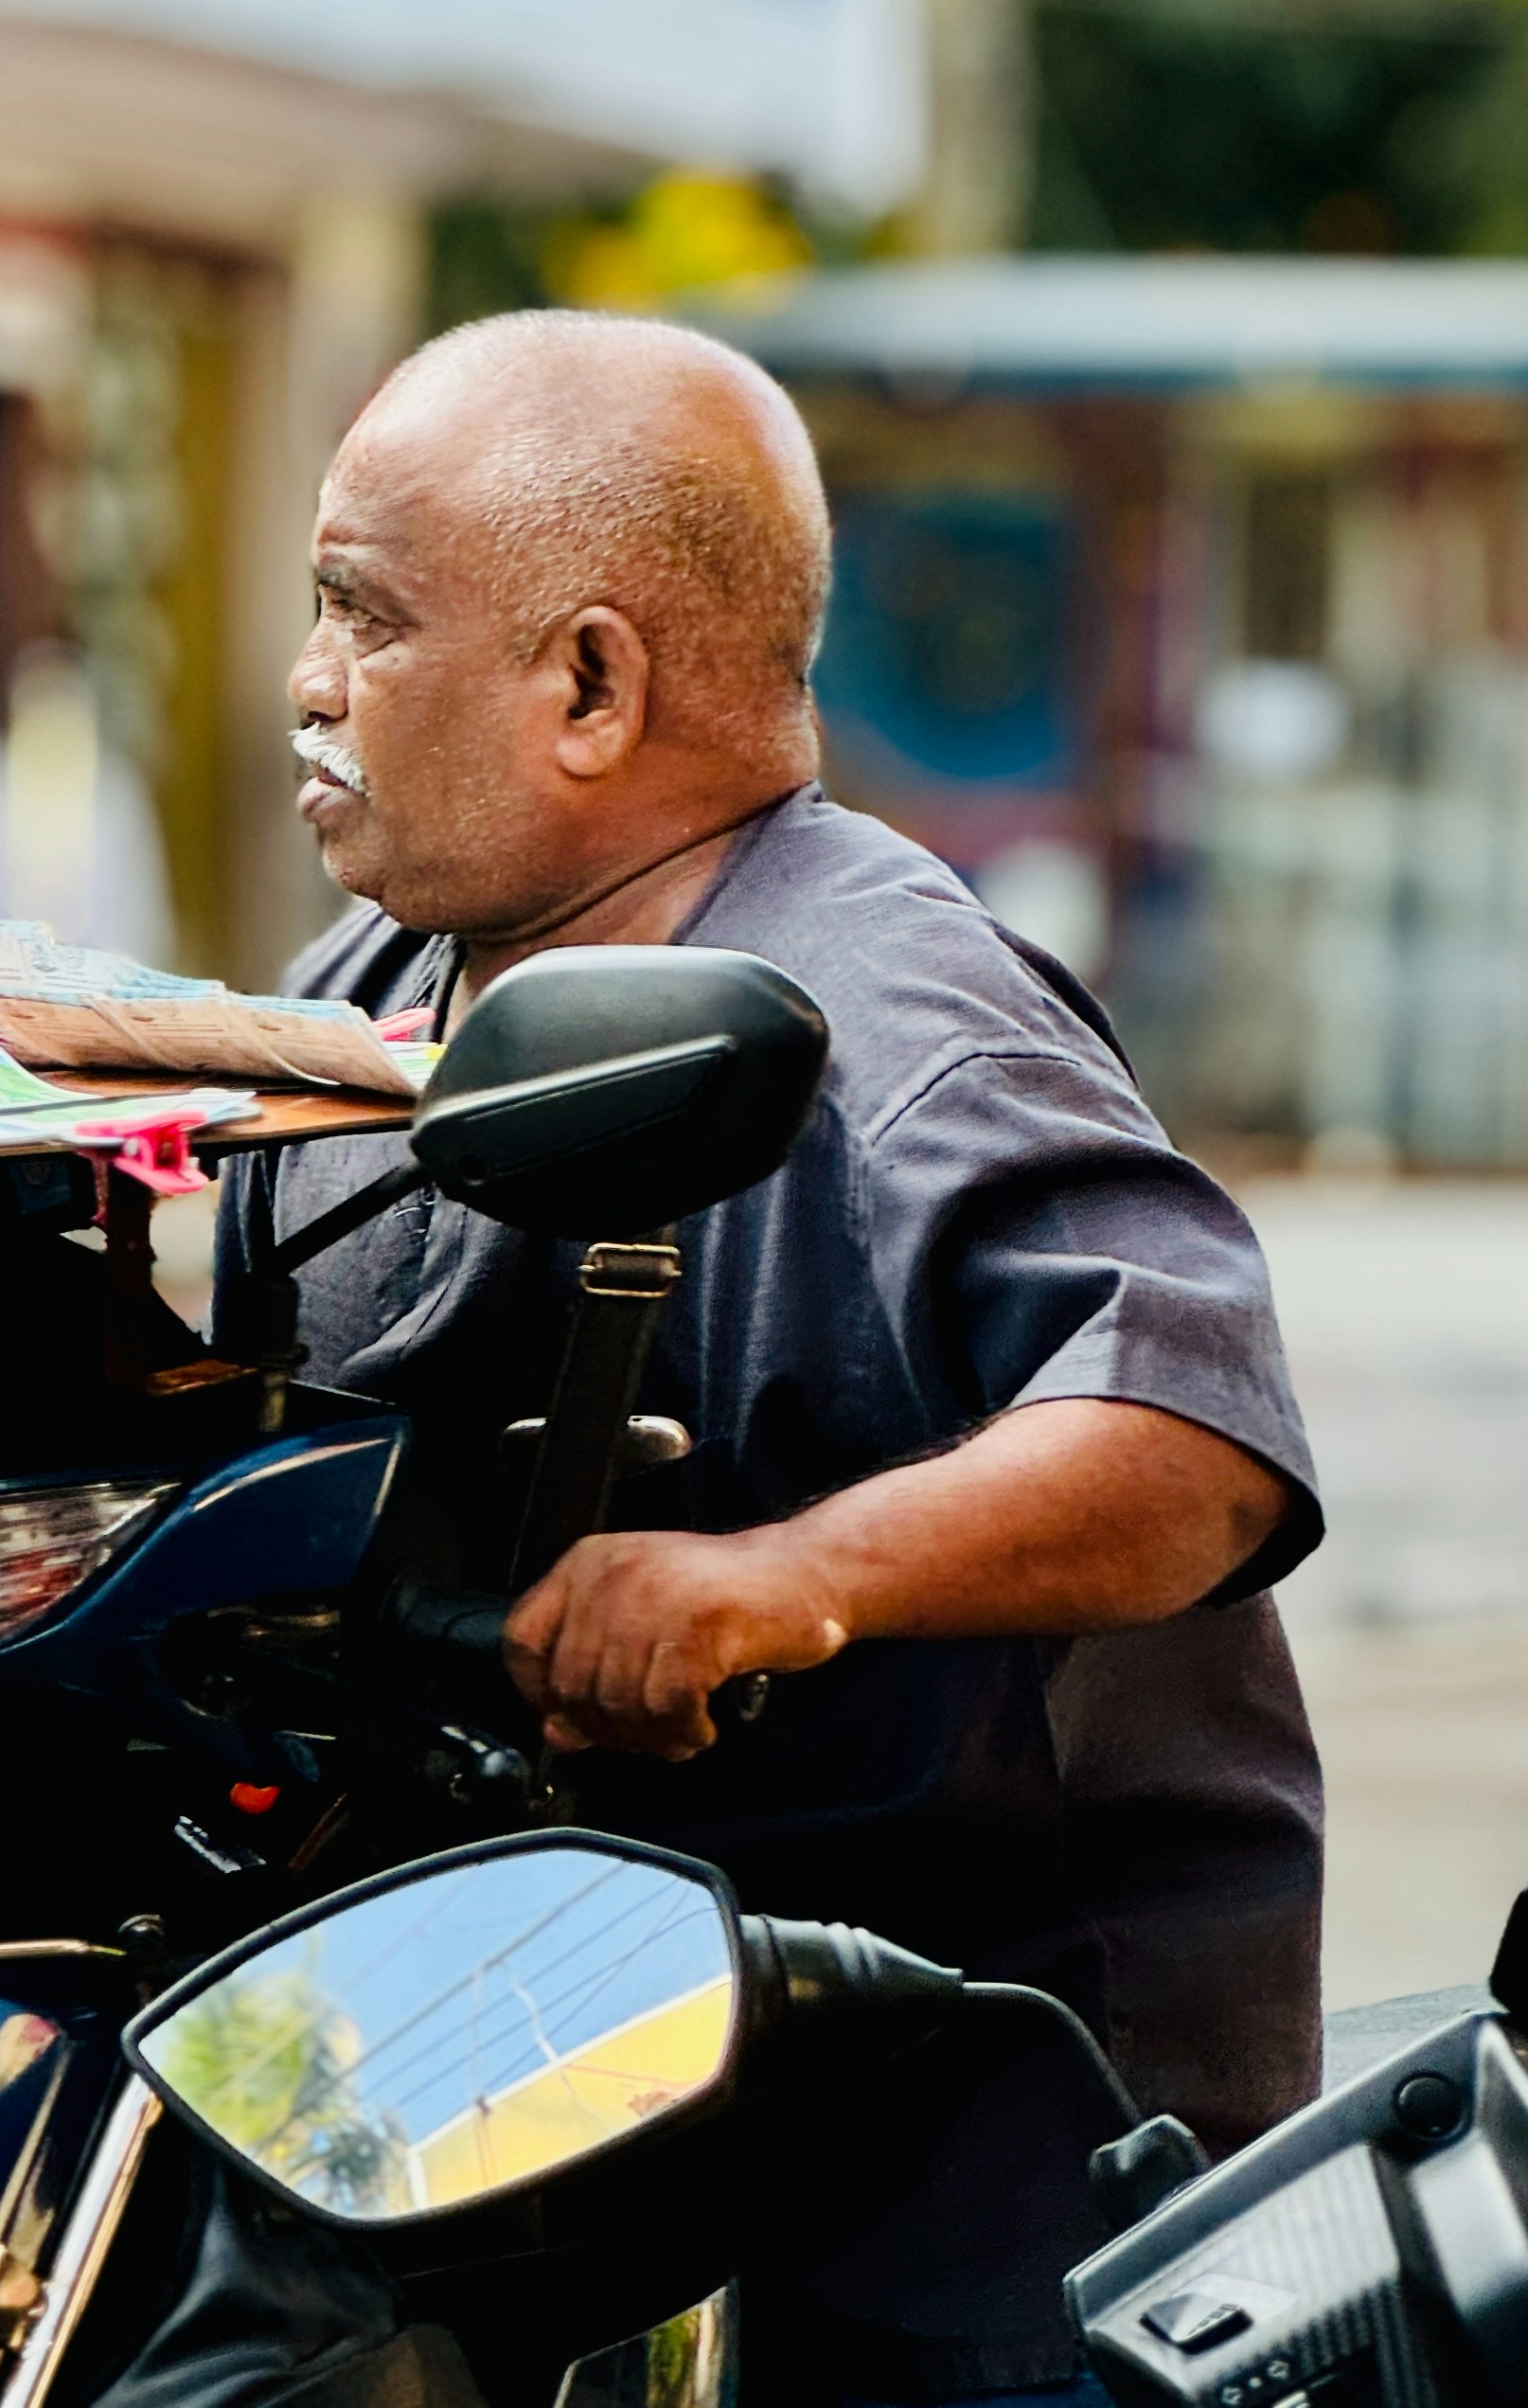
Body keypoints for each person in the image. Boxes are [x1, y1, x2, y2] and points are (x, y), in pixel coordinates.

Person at [222, 311, 1324, 2405]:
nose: (310, 677)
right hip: (562, 2062)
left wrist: (772, 1580)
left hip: (997, 2154)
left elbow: (1193, 1437)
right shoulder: (373, 983)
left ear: (587, 685)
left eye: (362, 612)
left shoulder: (882, 1010)